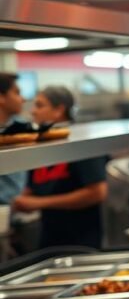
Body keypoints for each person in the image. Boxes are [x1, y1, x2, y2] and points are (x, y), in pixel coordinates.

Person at [12, 86, 107, 249]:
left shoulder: (81, 141)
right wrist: (19, 202)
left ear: (59, 110)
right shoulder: (42, 145)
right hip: (49, 240)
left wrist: (39, 203)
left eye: (39, 105)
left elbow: (97, 192)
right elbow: (33, 187)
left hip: (81, 242)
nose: (33, 112)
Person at [0, 73, 28, 204]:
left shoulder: (22, 128)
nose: (23, 99)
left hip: (20, 209)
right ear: (1, 97)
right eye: (17, 93)